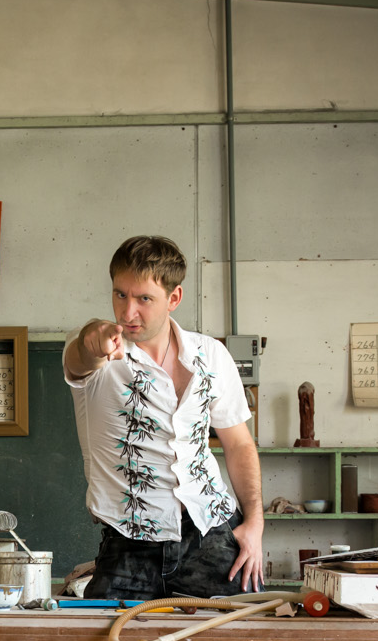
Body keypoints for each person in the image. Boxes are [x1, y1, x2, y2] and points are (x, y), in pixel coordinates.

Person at [64, 234, 264, 598]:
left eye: (144, 298)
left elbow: (238, 444)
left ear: (174, 298)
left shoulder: (212, 355)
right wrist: (91, 342)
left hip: (213, 530)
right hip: (128, 542)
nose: (127, 313)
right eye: (119, 294)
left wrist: (255, 523)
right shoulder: (99, 352)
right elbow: (81, 358)